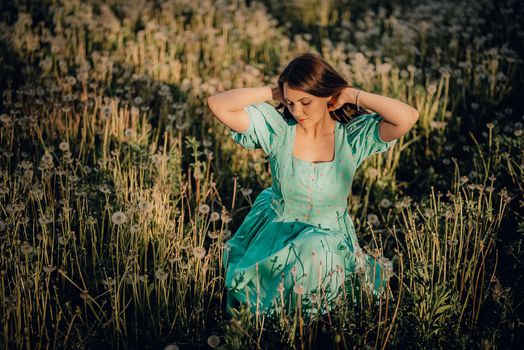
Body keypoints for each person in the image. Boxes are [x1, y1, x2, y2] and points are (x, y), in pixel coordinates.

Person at [207, 52, 419, 322]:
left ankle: (308, 321)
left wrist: (353, 94)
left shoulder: (351, 138)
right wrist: (275, 91)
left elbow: (407, 117)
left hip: (328, 238)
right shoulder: (279, 130)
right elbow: (218, 104)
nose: (297, 111)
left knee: (316, 252)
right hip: (280, 233)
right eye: (291, 102)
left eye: (305, 102)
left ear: (327, 95)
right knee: (295, 275)